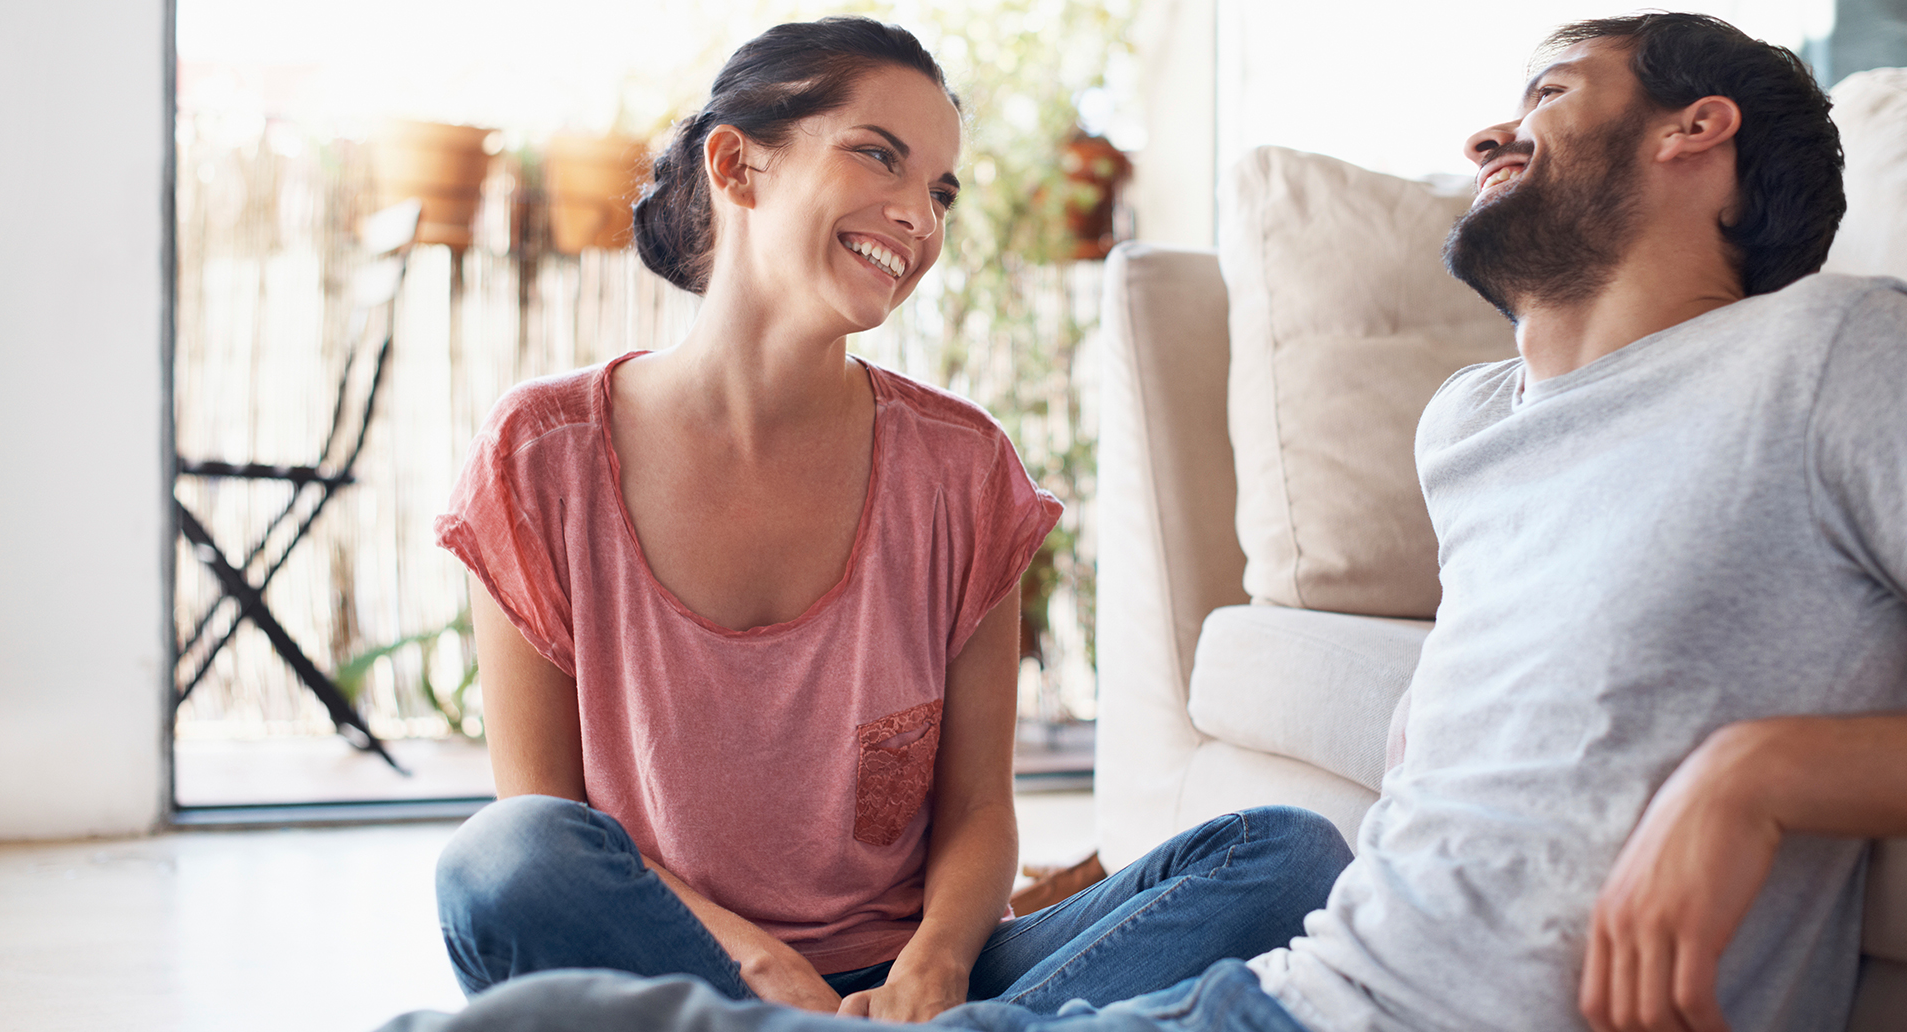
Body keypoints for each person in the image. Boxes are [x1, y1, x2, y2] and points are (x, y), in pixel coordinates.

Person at [384, 12, 1907, 1032]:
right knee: (517, 873)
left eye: (1551, 87)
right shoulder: (1479, 428)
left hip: (1248, 1002)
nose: (1488, 129)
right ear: (738, 174)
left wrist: (1754, 774)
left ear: (1701, 133)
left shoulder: (1836, 345)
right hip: (1300, 1000)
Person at [428, 14, 1345, 1026]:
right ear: (736, 166)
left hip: (918, 986)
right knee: (502, 861)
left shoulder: (962, 470)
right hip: (687, 969)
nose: (917, 217)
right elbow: (548, 821)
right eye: (879, 158)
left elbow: (976, 815)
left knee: (1289, 856)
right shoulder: (541, 455)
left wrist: (936, 970)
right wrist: (768, 977)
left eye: (941, 192)